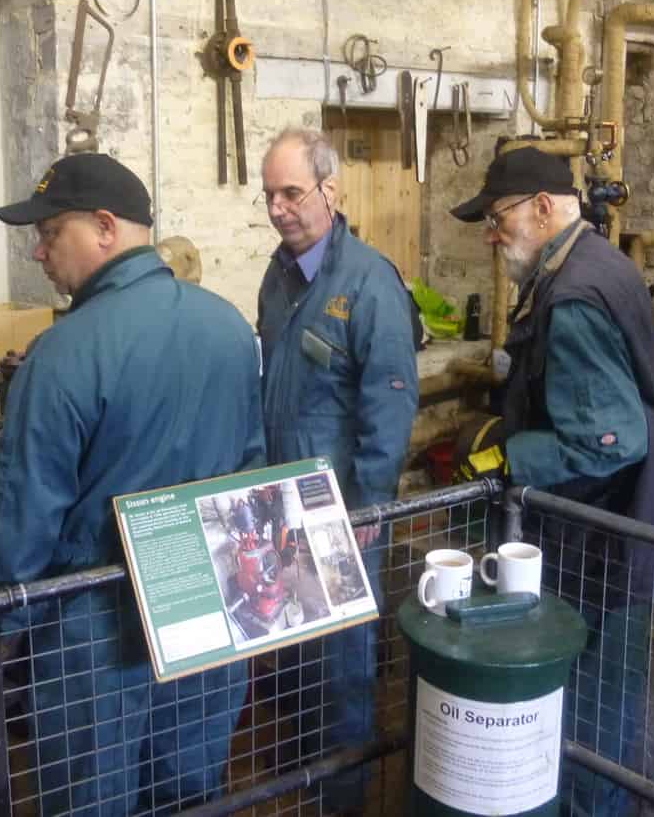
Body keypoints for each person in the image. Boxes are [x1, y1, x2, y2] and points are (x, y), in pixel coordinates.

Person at [0, 152, 266, 816]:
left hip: (93, 625)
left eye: (51, 233)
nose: (38, 252)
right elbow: (252, 466)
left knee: (89, 799)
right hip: (210, 603)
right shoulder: (229, 328)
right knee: (192, 791)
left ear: (106, 227)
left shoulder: (62, 354)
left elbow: (24, 514)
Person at [450, 145, 654, 817]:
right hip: (618, 533)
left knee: (590, 733)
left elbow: (610, 439)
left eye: (497, 219)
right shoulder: (596, 263)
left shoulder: (574, 295)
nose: (492, 236)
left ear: (544, 208)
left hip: (604, 551)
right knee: (595, 725)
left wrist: (511, 456)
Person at [256, 127, 419, 814]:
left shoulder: (369, 283)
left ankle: (344, 802)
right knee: (290, 663)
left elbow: (390, 406)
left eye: (291, 192)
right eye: (268, 194)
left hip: (339, 513)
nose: (277, 208)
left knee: (342, 672)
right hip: (279, 507)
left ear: (329, 190)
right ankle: (300, 792)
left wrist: (371, 508)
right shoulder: (277, 275)